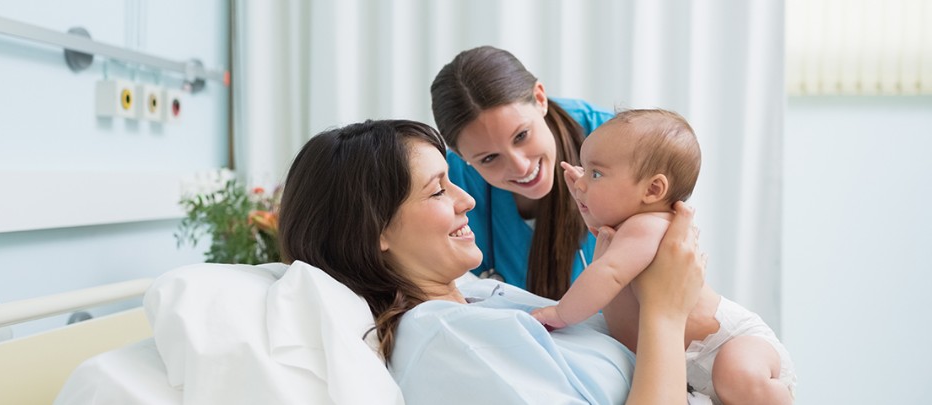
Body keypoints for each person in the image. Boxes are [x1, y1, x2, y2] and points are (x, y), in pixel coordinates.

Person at [278, 119, 706, 404]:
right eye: (437, 191)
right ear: (377, 231)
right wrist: (665, 314)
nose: (467, 199)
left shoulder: (478, 295)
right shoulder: (452, 343)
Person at [530, 109, 796, 404]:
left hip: (729, 342)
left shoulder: (648, 226)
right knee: (730, 384)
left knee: (737, 375)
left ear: (654, 189)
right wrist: (587, 196)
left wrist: (561, 313)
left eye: (596, 174)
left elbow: (608, 274)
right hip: (690, 368)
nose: (580, 183)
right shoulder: (626, 230)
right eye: (583, 170)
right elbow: (601, 231)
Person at [430, 45, 613, 300]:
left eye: (521, 135)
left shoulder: (615, 140)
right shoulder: (450, 185)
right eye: (489, 158)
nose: (520, 167)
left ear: (540, 99)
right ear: (460, 154)